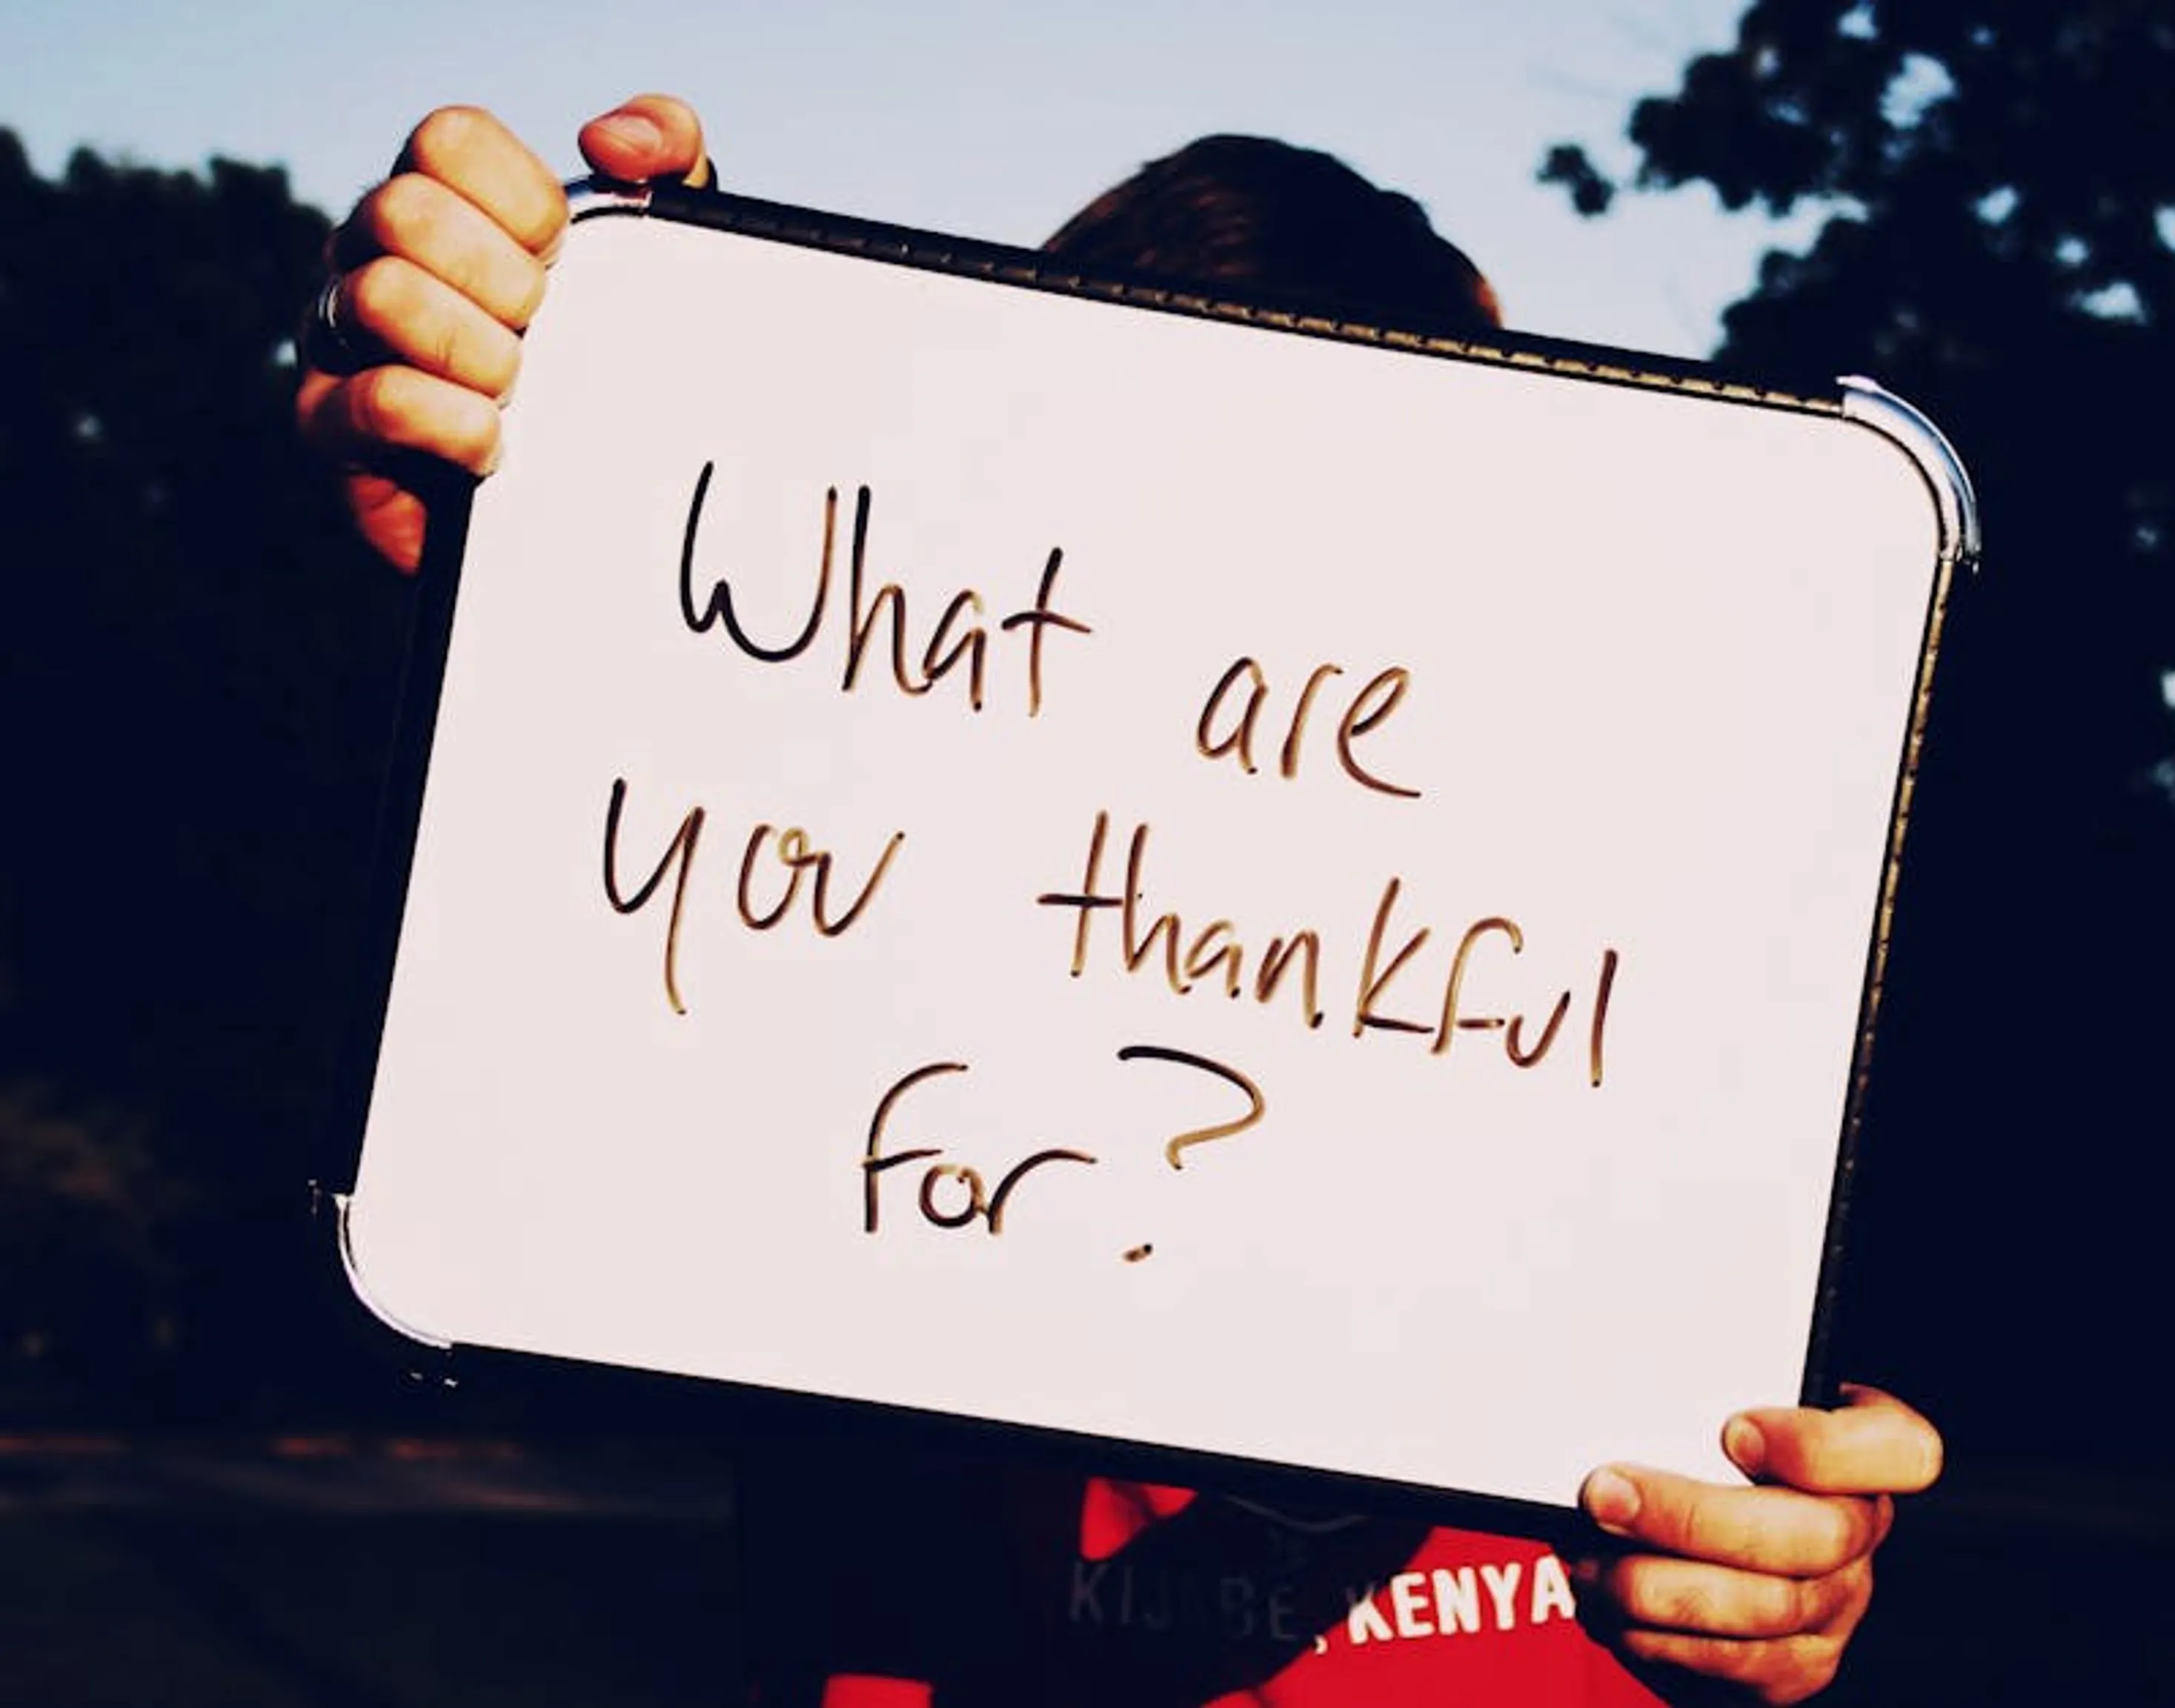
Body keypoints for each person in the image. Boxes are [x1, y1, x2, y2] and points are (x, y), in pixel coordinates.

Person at [296, 95, 1945, 1706]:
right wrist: (574, 442)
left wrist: (1774, 1572)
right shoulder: (848, 1012)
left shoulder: (1628, 1107)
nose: (1278, 726)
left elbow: (1763, 1524)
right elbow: (661, 850)